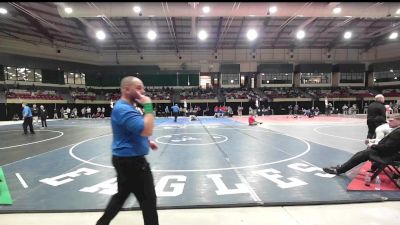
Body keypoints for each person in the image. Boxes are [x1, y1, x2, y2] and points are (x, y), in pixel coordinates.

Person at [96, 76, 159, 225]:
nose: (142, 91)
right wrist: (148, 106)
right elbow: (147, 129)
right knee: (148, 201)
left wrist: (146, 142)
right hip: (132, 162)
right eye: (138, 88)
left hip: (124, 160)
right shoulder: (123, 109)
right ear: (126, 89)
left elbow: (132, 131)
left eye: (142, 88)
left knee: (121, 196)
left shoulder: (127, 107)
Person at [323, 114, 400, 175]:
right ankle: (342, 167)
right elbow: (388, 145)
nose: (388, 122)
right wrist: (373, 142)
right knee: (360, 153)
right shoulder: (397, 130)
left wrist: (372, 145)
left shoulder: (398, 132)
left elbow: (387, 147)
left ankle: (339, 170)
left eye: (391, 120)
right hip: (390, 153)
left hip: (389, 155)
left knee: (363, 154)